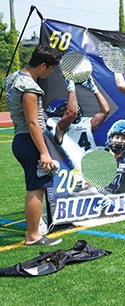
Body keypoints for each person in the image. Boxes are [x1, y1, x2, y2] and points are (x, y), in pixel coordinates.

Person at [3, 44, 63, 246]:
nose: (52, 72)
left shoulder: (12, 78)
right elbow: (32, 123)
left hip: (20, 140)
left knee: (35, 186)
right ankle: (33, 235)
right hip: (29, 140)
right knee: (36, 188)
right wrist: (44, 153)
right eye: (52, 68)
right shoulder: (28, 86)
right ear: (43, 65)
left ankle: (35, 228)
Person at [45, 76, 110, 184]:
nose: (72, 107)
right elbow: (72, 112)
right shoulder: (58, 128)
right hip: (78, 174)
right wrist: (71, 87)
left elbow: (105, 110)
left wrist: (95, 89)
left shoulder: (85, 123)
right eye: (64, 110)